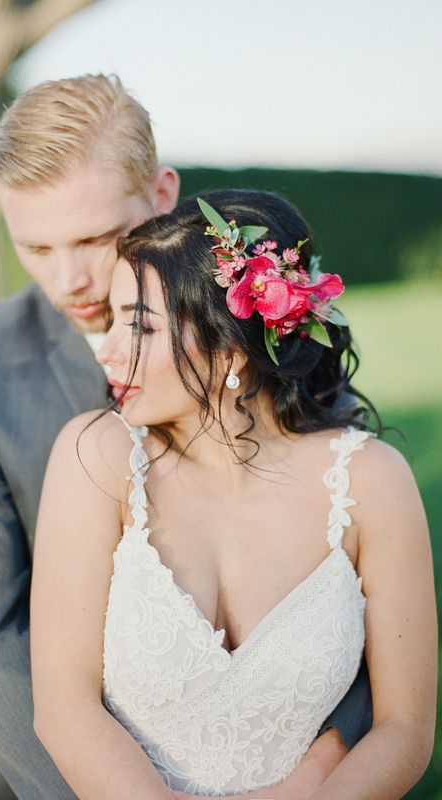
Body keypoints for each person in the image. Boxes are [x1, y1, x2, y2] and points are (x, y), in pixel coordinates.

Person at [0, 74, 371, 800]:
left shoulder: (261, 333)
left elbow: (356, 585)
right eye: (34, 246)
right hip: (29, 767)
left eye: (96, 237)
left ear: (163, 195)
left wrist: (320, 768)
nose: (71, 279)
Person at [30, 190, 437, 799]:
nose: (108, 351)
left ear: (228, 346)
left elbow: (404, 731)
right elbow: (65, 710)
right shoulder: (96, 457)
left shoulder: (372, 481)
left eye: (137, 325)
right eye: (112, 320)